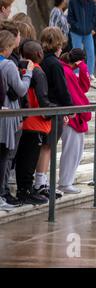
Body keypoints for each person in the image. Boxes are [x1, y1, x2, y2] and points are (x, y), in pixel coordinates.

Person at [15, 40, 55, 205]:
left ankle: (25, 189)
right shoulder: (37, 72)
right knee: (28, 160)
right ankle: (24, 191)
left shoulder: (24, 71)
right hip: (36, 122)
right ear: (40, 54)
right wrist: (52, 113)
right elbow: (42, 98)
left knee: (25, 158)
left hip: (27, 121)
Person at [35, 27, 73, 199]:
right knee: (48, 147)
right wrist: (69, 108)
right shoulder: (55, 64)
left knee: (45, 146)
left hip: (42, 108)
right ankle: (40, 183)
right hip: (53, 109)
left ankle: (41, 181)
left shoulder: (41, 60)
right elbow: (62, 90)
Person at [0, 30, 34, 209]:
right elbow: (21, 89)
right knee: (5, 155)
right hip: (6, 114)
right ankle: (1, 194)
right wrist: (28, 74)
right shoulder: (7, 65)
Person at [58, 49, 92, 194]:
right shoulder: (66, 71)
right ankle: (65, 183)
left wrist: (83, 69)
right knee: (71, 151)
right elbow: (76, 95)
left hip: (74, 116)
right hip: (71, 116)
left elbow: (83, 87)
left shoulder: (68, 70)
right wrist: (85, 112)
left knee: (75, 151)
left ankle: (67, 181)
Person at [67, 0, 96, 80]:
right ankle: (76, 72)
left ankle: (90, 73)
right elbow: (70, 18)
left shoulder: (92, 3)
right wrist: (77, 26)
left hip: (87, 32)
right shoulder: (73, 1)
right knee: (77, 52)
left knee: (91, 51)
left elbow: (93, 17)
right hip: (76, 32)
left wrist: (90, 27)